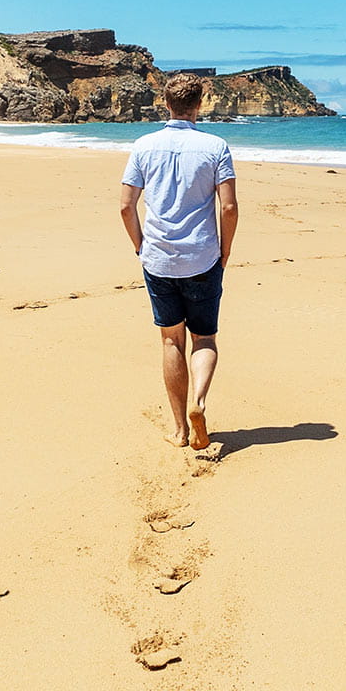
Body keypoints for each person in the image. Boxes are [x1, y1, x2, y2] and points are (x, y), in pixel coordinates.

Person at [120, 75, 239, 451]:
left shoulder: (144, 146)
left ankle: (179, 430)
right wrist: (226, 249)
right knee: (204, 337)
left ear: (165, 103)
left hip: (158, 258)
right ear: (200, 104)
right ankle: (199, 403)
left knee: (172, 339)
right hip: (203, 257)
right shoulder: (215, 146)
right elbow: (230, 207)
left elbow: (126, 205)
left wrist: (141, 246)